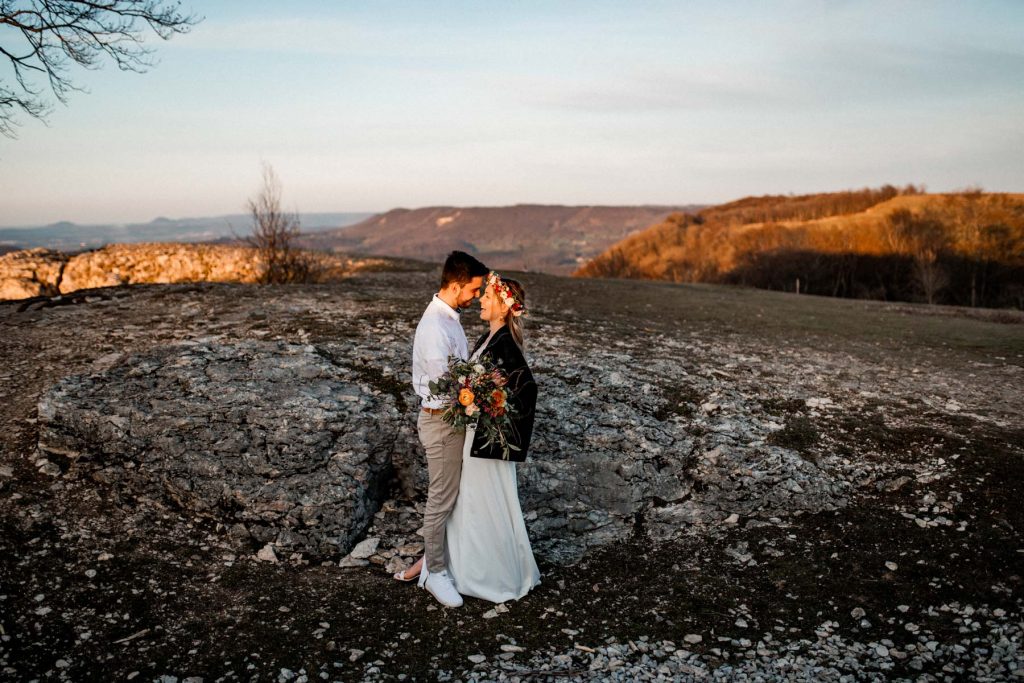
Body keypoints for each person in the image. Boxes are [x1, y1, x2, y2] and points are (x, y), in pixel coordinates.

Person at [396, 271, 541, 603]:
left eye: (488, 296)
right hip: (471, 436)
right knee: (468, 504)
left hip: (483, 441)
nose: (482, 300)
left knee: (482, 504)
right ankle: (449, 564)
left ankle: (489, 573)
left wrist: (487, 407)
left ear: (504, 307)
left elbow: (524, 390)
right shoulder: (488, 339)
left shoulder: (504, 344)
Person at [409, 251, 489, 608]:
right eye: (473, 290)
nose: (476, 297)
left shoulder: (449, 318)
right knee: (440, 498)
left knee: (453, 495)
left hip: (453, 420)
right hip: (441, 422)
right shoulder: (435, 328)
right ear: (456, 285)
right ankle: (435, 572)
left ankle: (435, 560)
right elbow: (446, 389)